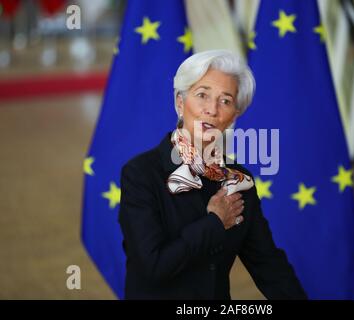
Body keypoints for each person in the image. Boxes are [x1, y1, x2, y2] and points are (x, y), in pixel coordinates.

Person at [118, 50, 307, 300]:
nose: (212, 110)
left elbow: (269, 265)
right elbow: (153, 266)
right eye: (202, 95)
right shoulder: (140, 174)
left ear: (234, 117)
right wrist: (215, 223)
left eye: (225, 101)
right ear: (179, 102)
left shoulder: (239, 181)